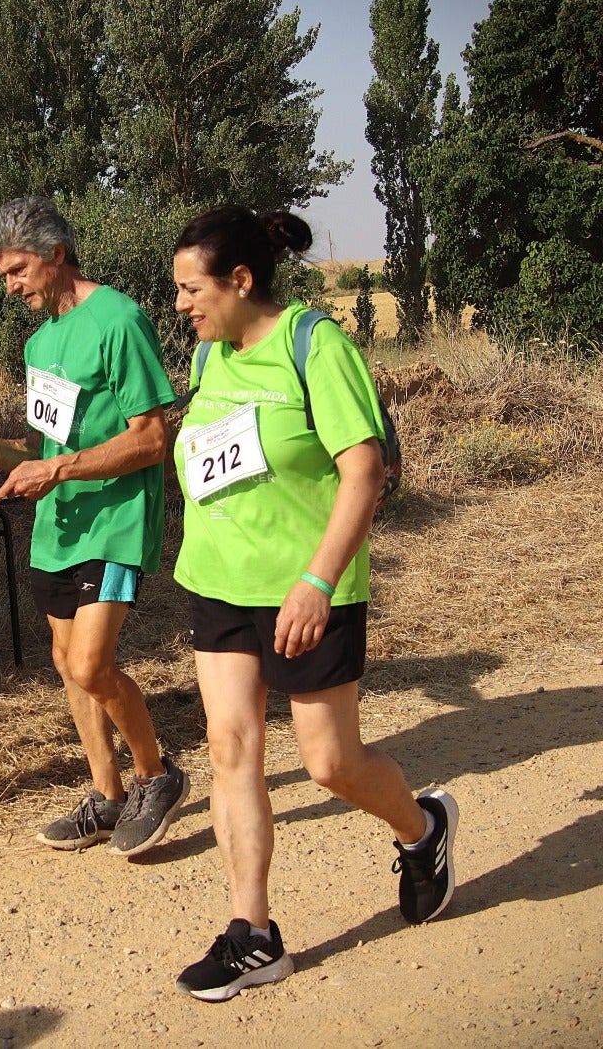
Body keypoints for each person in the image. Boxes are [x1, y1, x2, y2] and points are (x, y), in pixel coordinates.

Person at [167, 205, 458, 1001]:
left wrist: (319, 581)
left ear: (240, 279)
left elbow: (363, 471)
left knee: (330, 764)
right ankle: (253, 934)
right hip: (219, 581)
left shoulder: (313, 345)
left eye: (193, 290)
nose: (183, 306)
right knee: (232, 752)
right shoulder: (207, 361)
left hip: (308, 593)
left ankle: (421, 829)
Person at [0, 196, 189, 858]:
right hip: (59, 526)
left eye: (16, 271)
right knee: (69, 664)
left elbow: (152, 439)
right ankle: (107, 798)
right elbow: (42, 460)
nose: (9, 286)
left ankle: (156, 774)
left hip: (116, 519)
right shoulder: (41, 342)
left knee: (95, 663)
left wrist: (61, 469)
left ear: (56, 256)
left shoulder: (119, 319)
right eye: (4, 274)